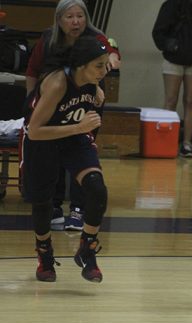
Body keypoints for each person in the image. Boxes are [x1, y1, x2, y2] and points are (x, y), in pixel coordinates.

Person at [25, 0, 120, 230]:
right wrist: (31, 101)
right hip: (55, 103)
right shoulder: (49, 40)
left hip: (85, 101)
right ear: (59, 20)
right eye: (70, 16)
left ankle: (78, 208)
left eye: (80, 16)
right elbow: (33, 71)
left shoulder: (95, 38)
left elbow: (112, 53)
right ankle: (54, 205)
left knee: (83, 153)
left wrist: (108, 64)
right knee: (51, 153)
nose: (76, 21)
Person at [23, 36, 109, 283]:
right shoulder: (58, 83)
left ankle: (87, 249)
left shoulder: (90, 80)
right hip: (42, 140)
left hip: (73, 136)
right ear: (81, 65)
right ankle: (44, 254)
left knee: (97, 189)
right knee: (43, 203)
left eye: (105, 65)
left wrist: (95, 93)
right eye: (99, 66)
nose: (103, 71)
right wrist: (79, 127)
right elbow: (35, 131)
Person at [152, 0, 192, 158]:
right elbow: (158, 33)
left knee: (190, 101)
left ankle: (187, 144)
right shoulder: (170, 5)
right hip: (173, 60)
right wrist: (170, 46)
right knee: (171, 100)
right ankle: (166, 141)